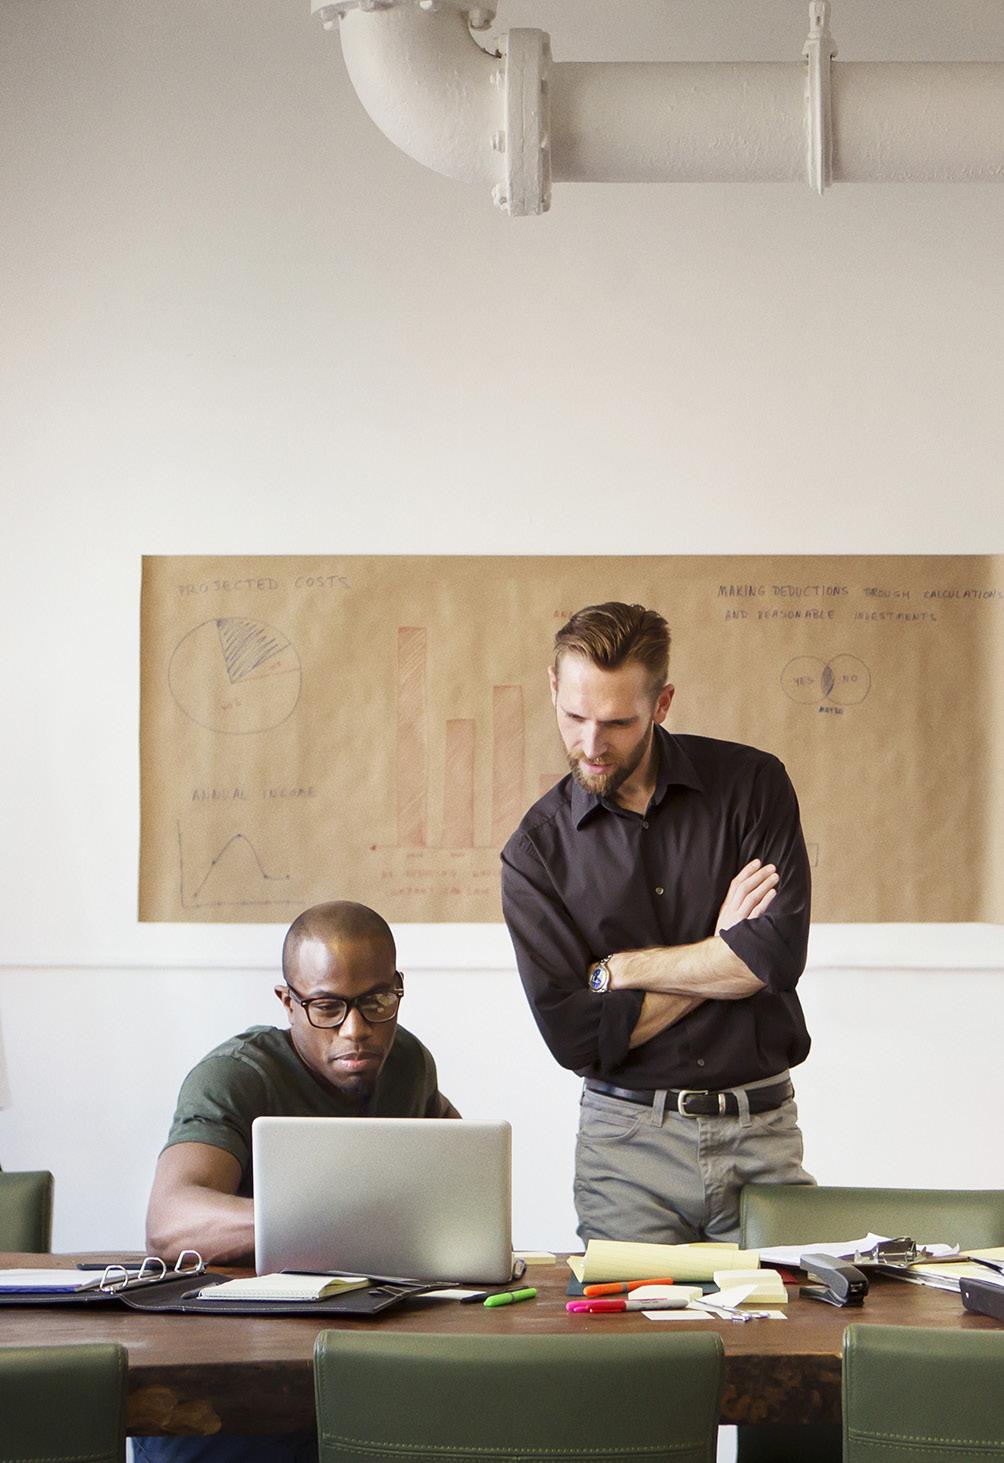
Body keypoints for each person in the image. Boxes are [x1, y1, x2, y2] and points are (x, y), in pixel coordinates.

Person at [501, 601, 813, 1247]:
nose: (591, 744)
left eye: (617, 722)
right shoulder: (535, 852)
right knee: (636, 1347)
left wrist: (621, 970)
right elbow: (577, 1037)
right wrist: (721, 952)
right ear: (554, 687)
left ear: (662, 702)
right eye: (574, 716)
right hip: (625, 1147)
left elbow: (772, 959)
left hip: (762, 1133)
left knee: (788, 1335)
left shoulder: (753, 784)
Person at [138, 899, 457, 1463]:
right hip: (230, 1376)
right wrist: (336, 1217)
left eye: (378, 1002)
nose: (356, 1031)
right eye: (327, 1007)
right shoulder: (234, 1076)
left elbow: (455, 1174)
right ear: (287, 1002)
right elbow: (170, 1224)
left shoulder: (407, 1061)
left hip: (363, 1346)